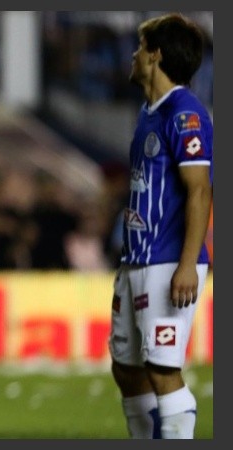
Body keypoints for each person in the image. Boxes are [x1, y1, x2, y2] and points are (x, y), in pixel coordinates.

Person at [108, 13, 212, 439]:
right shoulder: (150, 112)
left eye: (140, 48)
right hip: (137, 260)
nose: (133, 56)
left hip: (169, 262)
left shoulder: (186, 114)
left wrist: (188, 264)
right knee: (127, 368)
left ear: (156, 55)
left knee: (163, 368)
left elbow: (200, 191)